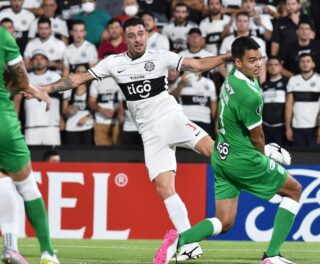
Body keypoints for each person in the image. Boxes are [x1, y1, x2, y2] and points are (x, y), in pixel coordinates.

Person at [40, 17, 231, 261]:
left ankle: (254, 165)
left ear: (147, 34)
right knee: (164, 188)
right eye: (132, 35)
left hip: (172, 118)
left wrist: (226, 57)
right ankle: (189, 244)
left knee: (212, 150)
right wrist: (45, 89)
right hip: (150, 134)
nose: (137, 39)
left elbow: (198, 63)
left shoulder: (161, 56)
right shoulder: (113, 63)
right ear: (125, 38)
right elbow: (77, 79)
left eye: (141, 33)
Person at [154, 36, 302, 264]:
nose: (259, 64)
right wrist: (268, 153)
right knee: (294, 190)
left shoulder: (232, 78)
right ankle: (272, 256)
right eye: (252, 60)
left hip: (221, 156)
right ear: (238, 62)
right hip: (242, 159)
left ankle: (181, 241)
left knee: (224, 222)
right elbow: (257, 137)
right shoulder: (250, 94)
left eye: (260, 58)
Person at [0, 26, 59, 264]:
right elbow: (22, 80)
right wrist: (35, 90)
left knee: (2, 178)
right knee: (25, 184)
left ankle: (11, 247)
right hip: (1, 119)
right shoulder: (4, 37)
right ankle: (47, 252)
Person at [285, 53, 320, 147]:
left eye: (308, 61)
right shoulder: (293, 80)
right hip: (297, 127)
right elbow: (289, 105)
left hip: (315, 128)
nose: (305, 63)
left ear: (313, 64)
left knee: (314, 159)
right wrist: (288, 127)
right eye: (302, 61)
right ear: (299, 64)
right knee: (299, 159)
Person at [261, 57, 289, 146]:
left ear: (281, 67)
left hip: (281, 126)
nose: (273, 67)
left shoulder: (287, 83)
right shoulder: (264, 85)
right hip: (266, 126)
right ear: (267, 68)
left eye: (276, 65)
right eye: (270, 65)